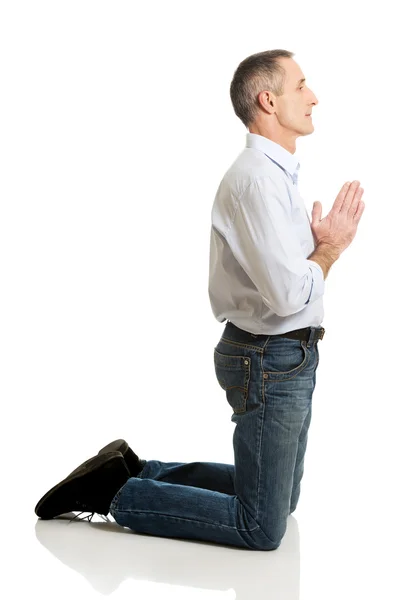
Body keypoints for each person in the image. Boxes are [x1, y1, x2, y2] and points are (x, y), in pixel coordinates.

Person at [34, 49, 365, 550]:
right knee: (261, 527)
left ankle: (141, 470)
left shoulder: (273, 177)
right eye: (302, 86)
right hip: (268, 359)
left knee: (282, 500)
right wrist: (330, 249)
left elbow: (288, 280)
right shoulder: (256, 180)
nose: (313, 96)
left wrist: (314, 250)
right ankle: (117, 492)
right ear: (268, 99)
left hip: (285, 356)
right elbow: (286, 295)